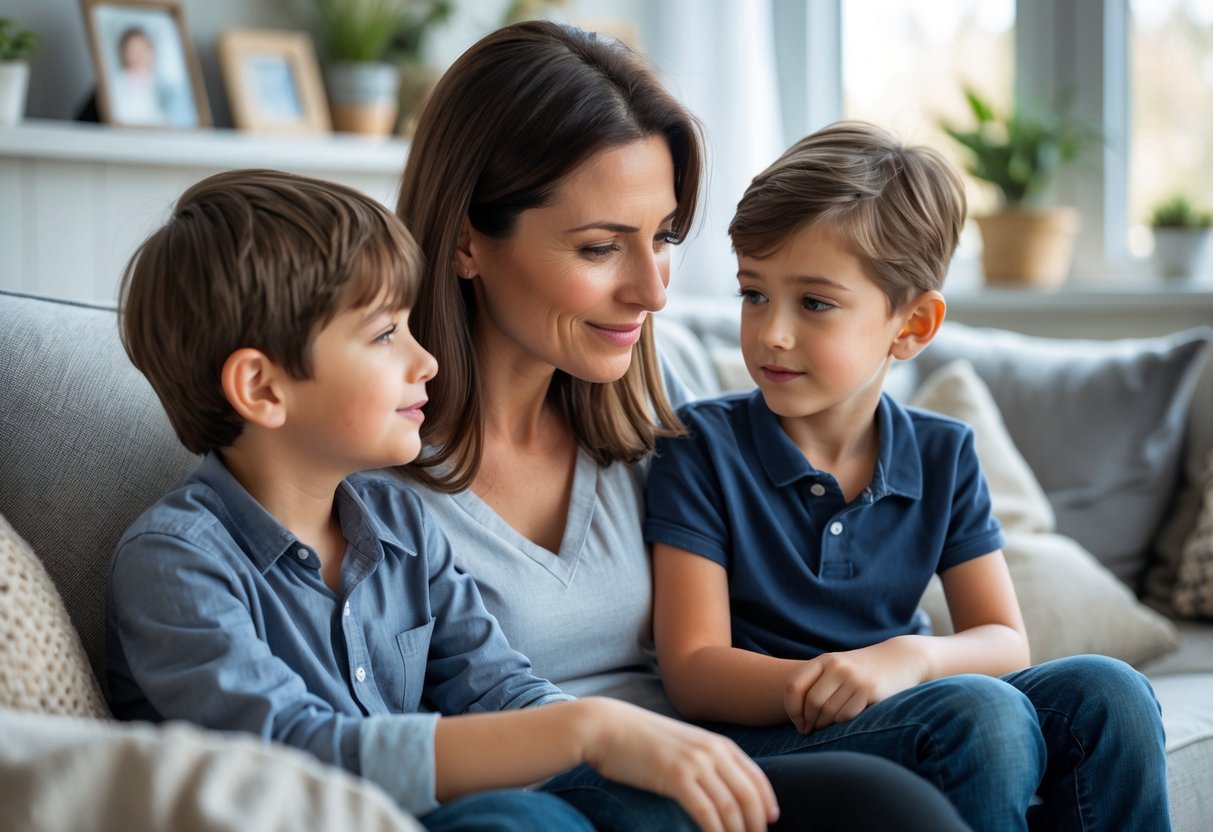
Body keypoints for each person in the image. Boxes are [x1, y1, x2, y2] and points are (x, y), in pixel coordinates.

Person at [395, 20, 971, 832]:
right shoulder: (370, 461)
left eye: (663, 238)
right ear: (465, 243)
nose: (654, 292)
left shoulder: (660, 426)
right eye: (600, 247)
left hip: (705, 779)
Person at [105, 168, 788, 832]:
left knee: (676, 800)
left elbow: (497, 689)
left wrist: (635, 745)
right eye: (383, 335)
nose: (424, 359)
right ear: (261, 388)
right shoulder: (175, 563)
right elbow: (291, 753)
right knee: (522, 818)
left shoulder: (396, 520)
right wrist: (588, 728)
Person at [644, 121, 1172, 831]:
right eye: (753, 294)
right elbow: (694, 668)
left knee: (1112, 693)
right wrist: (835, 682)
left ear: (912, 325)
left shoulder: (942, 454)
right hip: (769, 738)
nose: (771, 332)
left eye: (814, 303)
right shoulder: (699, 445)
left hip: (906, 701)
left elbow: (1001, 639)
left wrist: (906, 659)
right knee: (980, 714)